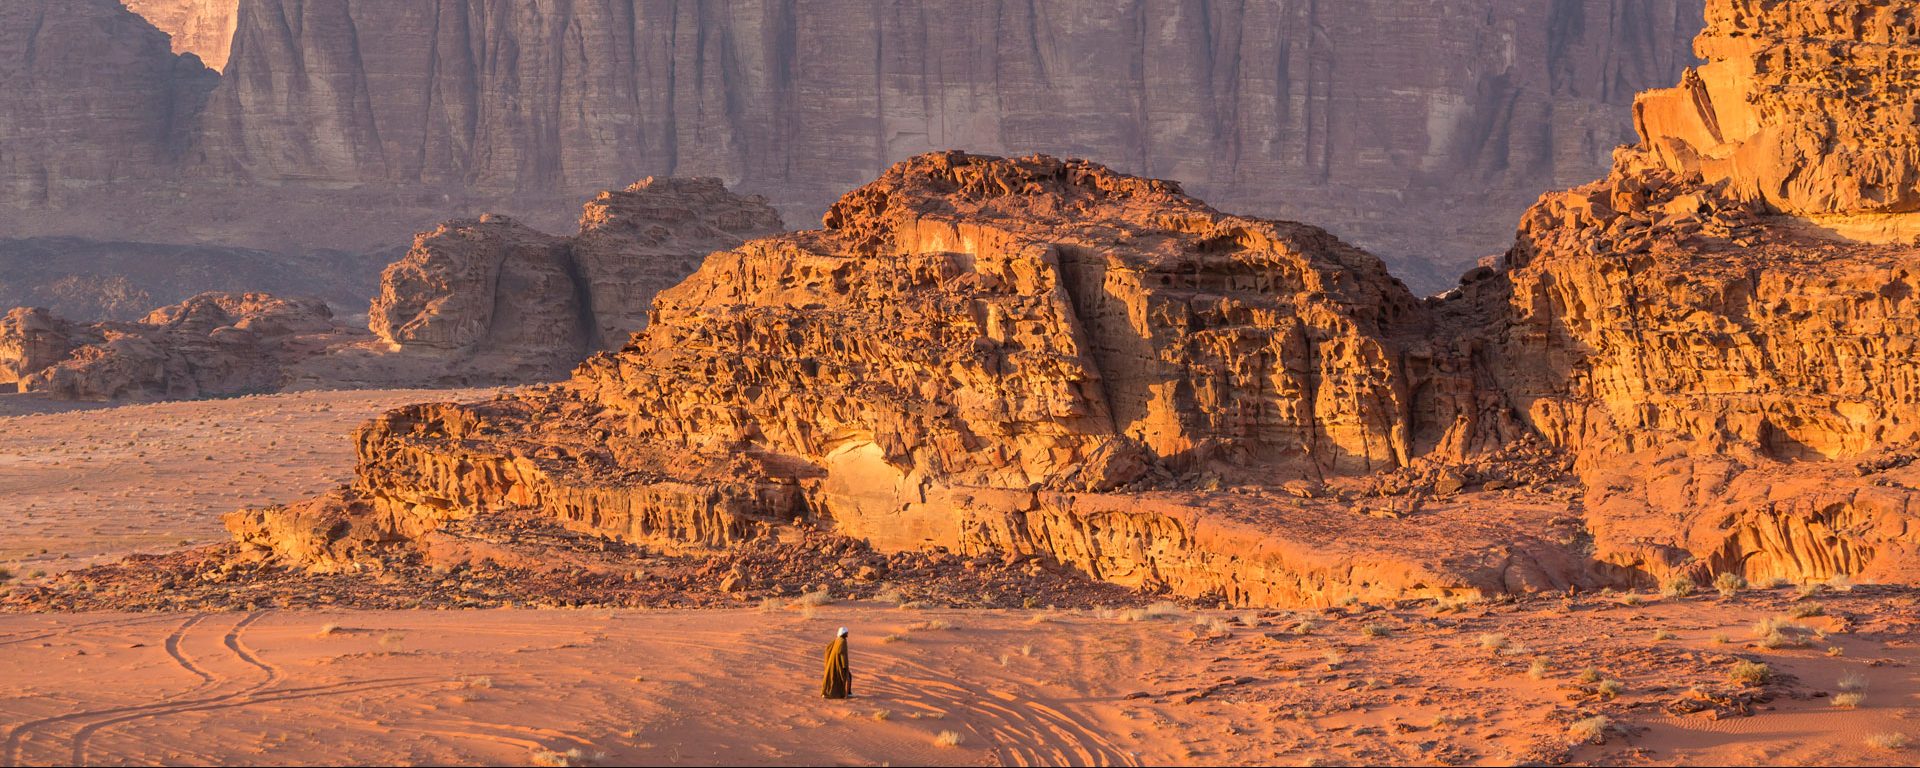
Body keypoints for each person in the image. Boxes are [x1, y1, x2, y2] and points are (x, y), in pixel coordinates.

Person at [822, 627, 852, 699]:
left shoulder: (837, 640)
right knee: (847, 677)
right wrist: (844, 665)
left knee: (833, 678)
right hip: (840, 664)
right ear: (844, 634)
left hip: (833, 663)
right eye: (846, 633)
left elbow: (828, 648)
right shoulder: (842, 641)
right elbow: (842, 653)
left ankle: (828, 693)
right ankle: (846, 695)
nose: (847, 634)